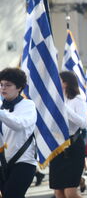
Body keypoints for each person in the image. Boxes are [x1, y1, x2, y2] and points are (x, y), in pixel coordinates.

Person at [49, 71, 87, 198]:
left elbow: (83, 123)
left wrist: (64, 109)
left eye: (59, 80)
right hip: (57, 147)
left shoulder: (77, 99)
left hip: (73, 146)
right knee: (58, 192)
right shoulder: (55, 100)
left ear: (66, 83)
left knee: (70, 193)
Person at [0, 68, 37, 198]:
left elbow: (19, 125)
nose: (3, 88)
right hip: (2, 162)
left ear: (19, 87)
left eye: (8, 85)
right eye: (1, 84)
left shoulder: (28, 105)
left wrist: (1, 113)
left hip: (24, 161)